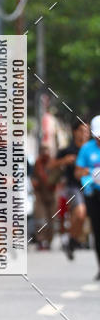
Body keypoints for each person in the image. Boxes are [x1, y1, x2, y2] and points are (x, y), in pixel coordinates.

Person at [51, 119, 90, 259]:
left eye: (87, 131)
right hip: (74, 187)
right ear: (75, 132)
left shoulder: (93, 147)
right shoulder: (68, 150)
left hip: (92, 186)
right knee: (80, 212)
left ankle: (73, 240)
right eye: (82, 130)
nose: (85, 133)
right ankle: (72, 239)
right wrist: (64, 160)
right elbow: (50, 165)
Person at [75, 115, 100, 279]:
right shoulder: (86, 149)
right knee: (98, 232)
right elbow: (77, 171)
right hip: (93, 195)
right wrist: (90, 172)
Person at [32, 145, 59, 250]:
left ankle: (49, 240)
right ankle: (41, 240)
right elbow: (33, 177)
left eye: (46, 151)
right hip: (40, 194)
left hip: (52, 194)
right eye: (43, 151)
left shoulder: (54, 163)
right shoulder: (37, 164)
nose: (45, 154)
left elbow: (58, 177)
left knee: (52, 219)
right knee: (40, 218)